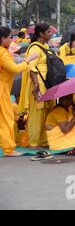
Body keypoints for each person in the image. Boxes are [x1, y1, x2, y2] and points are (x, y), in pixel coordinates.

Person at [0, 27, 38, 156]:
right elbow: (15, 69)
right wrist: (28, 60)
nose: (11, 40)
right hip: (2, 90)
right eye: (10, 38)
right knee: (6, 120)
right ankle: (8, 149)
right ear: (3, 39)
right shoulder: (2, 53)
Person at [18, 23, 56, 150]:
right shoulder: (35, 48)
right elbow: (31, 68)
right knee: (36, 114)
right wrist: (36, 85)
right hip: (38, 84)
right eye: (49, 32)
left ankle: (43, 141)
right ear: (41, 34)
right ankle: (34, 143)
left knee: (45, 113)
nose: (51, 34)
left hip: (45, 84)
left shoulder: (43, 47)